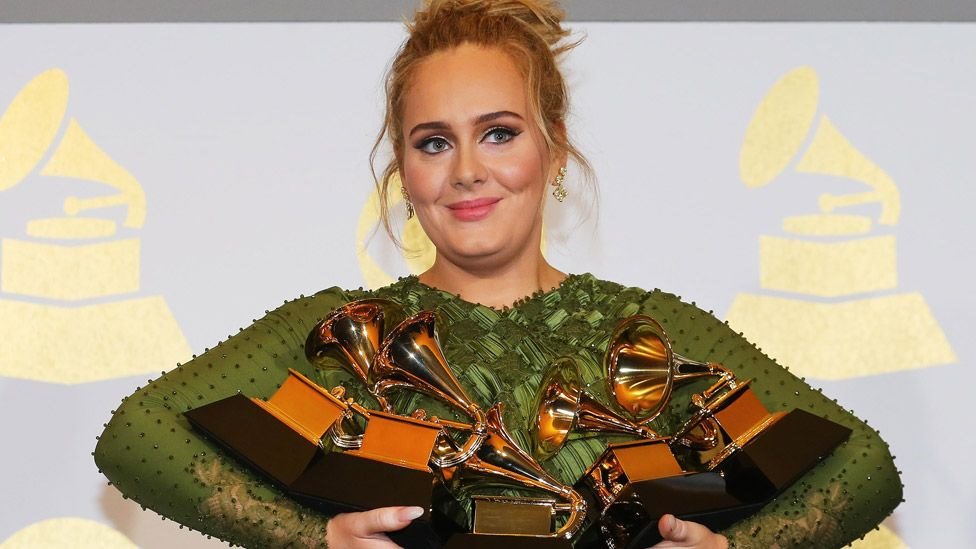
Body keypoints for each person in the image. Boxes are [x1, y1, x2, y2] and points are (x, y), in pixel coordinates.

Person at [94, 1, 902, 548]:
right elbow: (136, 432)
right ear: (403, 170)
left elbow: (862, 463)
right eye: (434, 142)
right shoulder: (339, 329)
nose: (467, 171)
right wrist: (313, 537)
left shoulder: (646, 329)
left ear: (554, 145)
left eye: (499, 133)